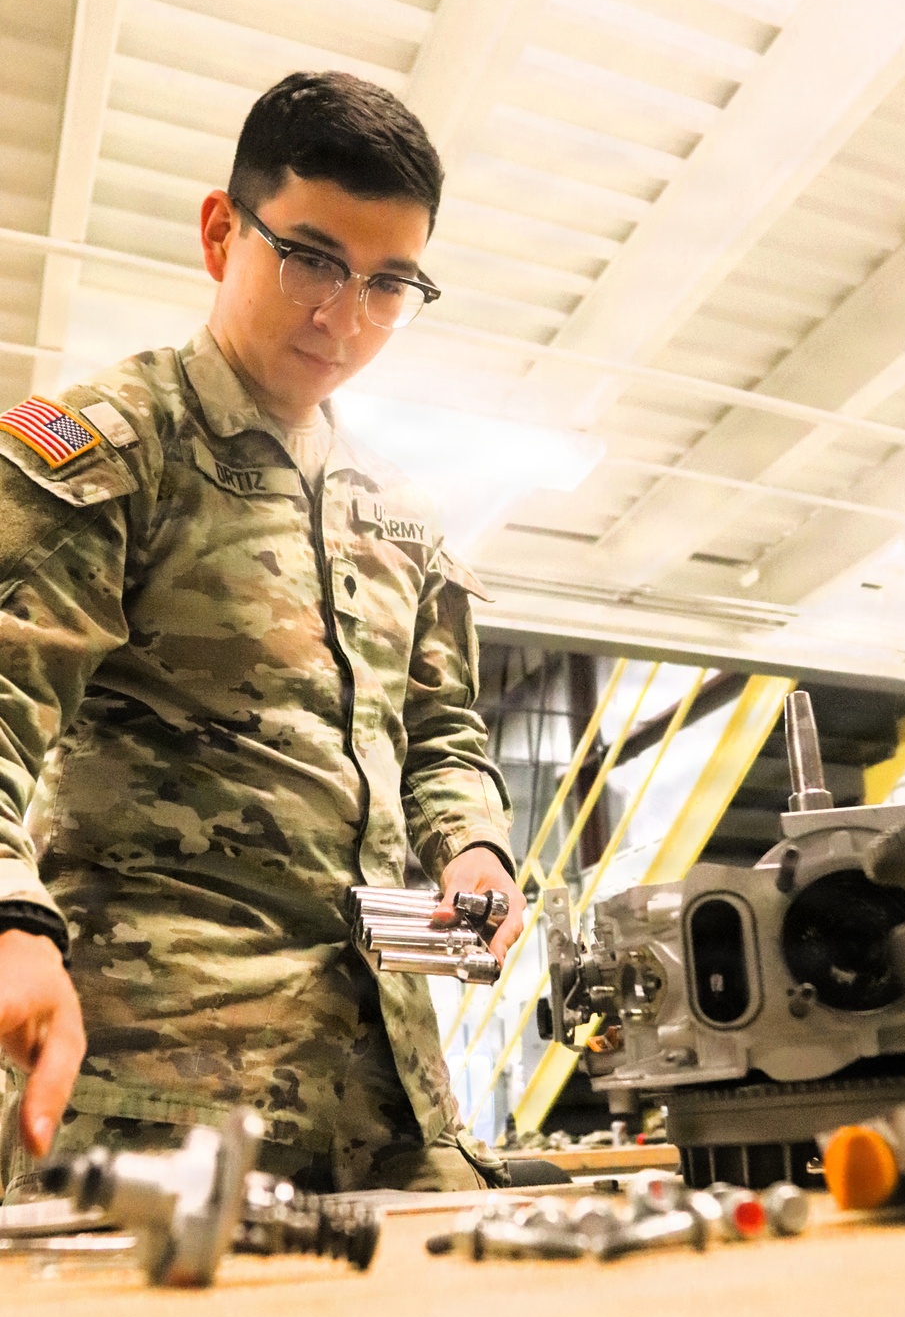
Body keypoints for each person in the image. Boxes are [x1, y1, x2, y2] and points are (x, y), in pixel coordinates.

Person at [0, 70, 525, 1199]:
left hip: (393, 1096)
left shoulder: (399, 515)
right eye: (312, 259)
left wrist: (474, 847)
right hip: (162, 1100)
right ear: (219, 231)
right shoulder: (111, 454)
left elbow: (436, 729)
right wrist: (9, 920)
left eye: (389, 283)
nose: (343, 317)